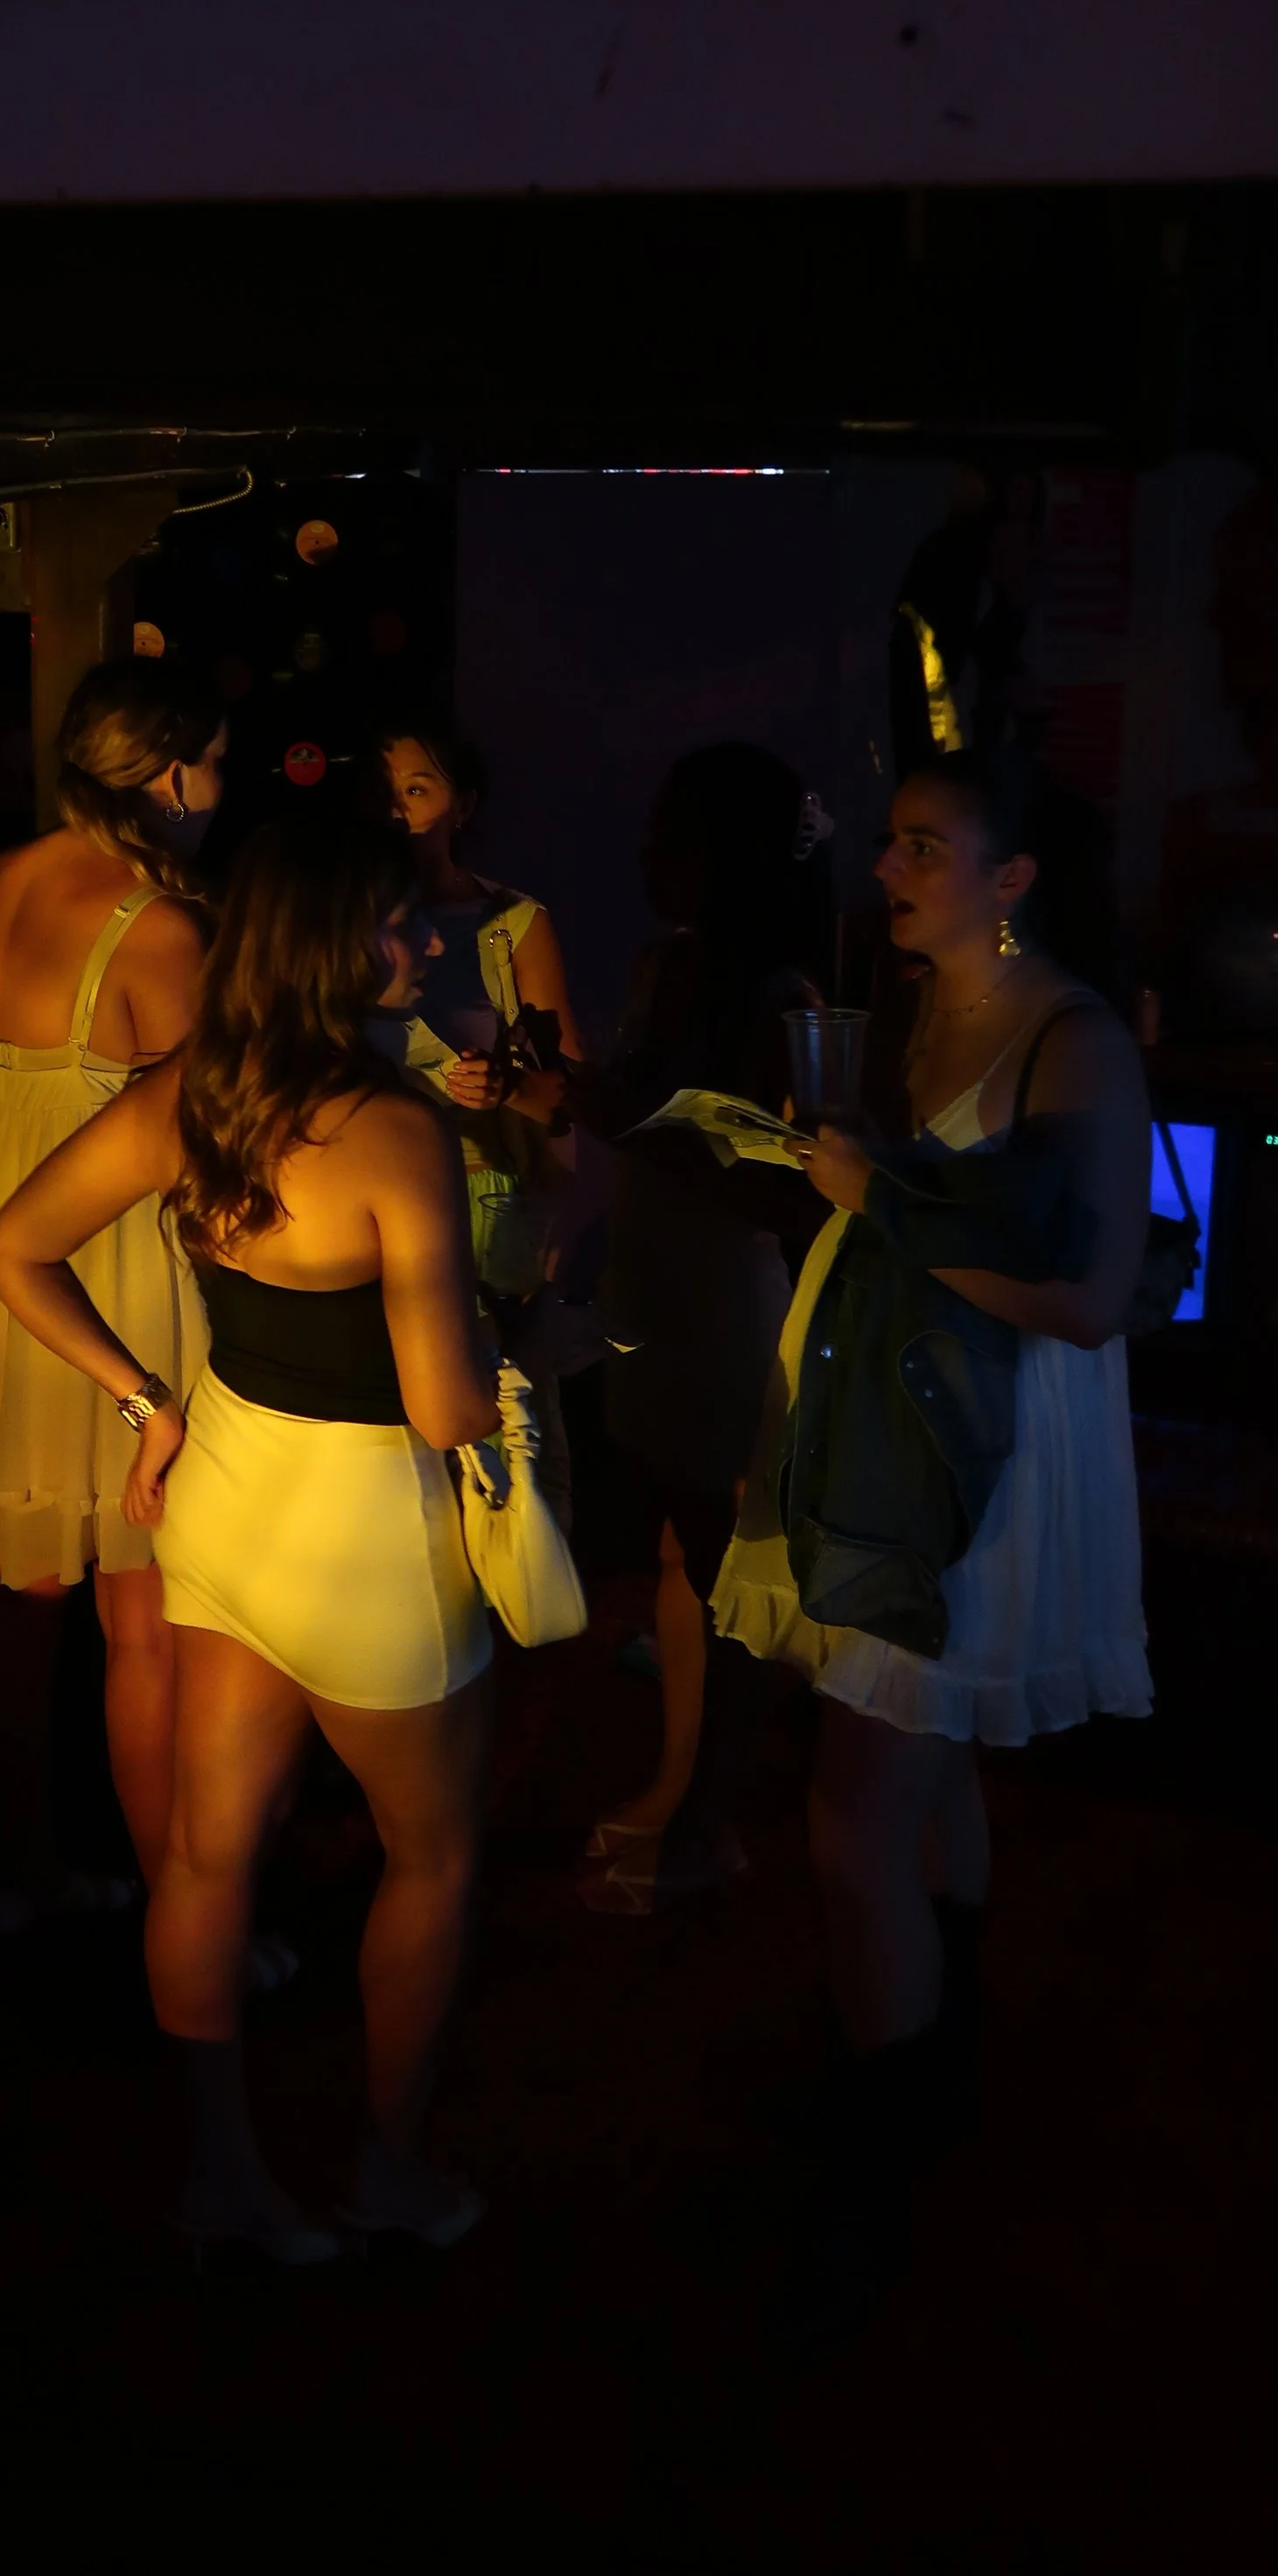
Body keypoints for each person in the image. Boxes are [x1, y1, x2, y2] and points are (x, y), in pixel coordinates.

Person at [0, 815, 501, 2258]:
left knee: (207, 1857)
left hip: (222, 1494)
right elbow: (450, 1412)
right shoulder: (398, 1132)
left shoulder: (190, 1094)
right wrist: (548, 1306)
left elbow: (8, 1248)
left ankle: (224, 2171)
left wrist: (146, 1398)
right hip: (368, 1528)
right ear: (335, 940)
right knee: (434, 1855)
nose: (426, 943)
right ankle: (386, 2169)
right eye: (400, 923)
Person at [711, 745, 1151, 2305]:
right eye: (889, 843)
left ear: (1012, 880)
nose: (887, 871)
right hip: (891, 1402)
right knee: (930, 1760)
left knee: (852, 1816)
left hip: (978, 1451)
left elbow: (1094, 1304)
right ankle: (935, 2068)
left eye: (922, 848)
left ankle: (874, 2155)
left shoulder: (1074, 1040)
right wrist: (835, 1168)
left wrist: (877, 1200)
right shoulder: (910, 1007)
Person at [0, 658, 225, 1921]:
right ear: (167, 773)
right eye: (217, 759)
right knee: (141, 1615)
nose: (224, 785)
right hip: (110, 1290)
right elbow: (208, 1136)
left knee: (14, 1584)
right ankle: (178, 1909)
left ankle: (23, 1871)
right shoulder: (157, 928)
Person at [559, 744, 834, 1912]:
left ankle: (709, 1815)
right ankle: (682, 1781)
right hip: (660, 1276)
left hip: (726, 1290)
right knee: (683, 1546)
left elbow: (791, 1190)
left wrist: (611, 1113)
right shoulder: (663, 968)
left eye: (672, 839)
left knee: (728, 1559)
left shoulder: (782, 1000)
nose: (644, 858)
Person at [381, 720, 585, 1456]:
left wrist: (506, 1086)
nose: (396, 809)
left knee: (507, 1446)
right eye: (383, 792)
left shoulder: (511, 927)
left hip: (489, 1214)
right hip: (376, 1203)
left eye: (417, 789)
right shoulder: (338, 925)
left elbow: (574, 1095)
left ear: (463, 806)